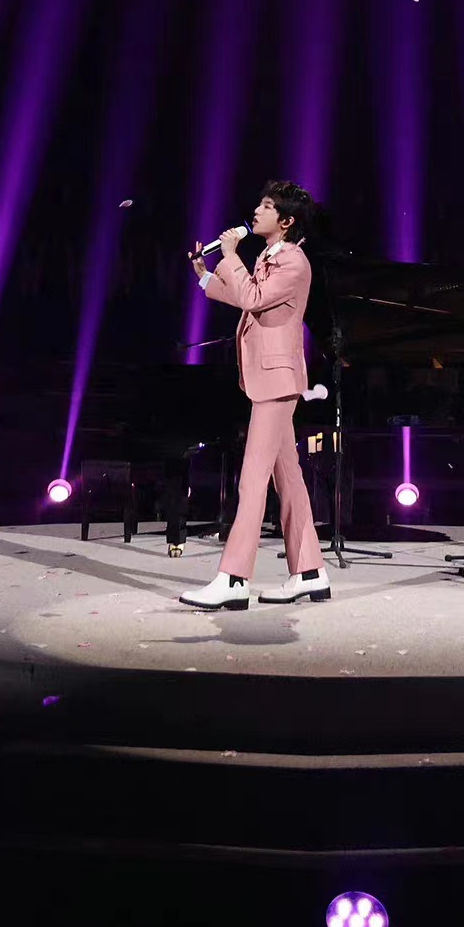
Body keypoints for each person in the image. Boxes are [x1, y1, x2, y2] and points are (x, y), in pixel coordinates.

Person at [179, 181, 329, 609]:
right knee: (288, 478)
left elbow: (253, 297)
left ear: (286, 220)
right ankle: (310, 572)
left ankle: (233, 578)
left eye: (266, 206)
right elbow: (246, 298)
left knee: (252, 479)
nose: (256, 211)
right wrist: (206, 275)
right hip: (269, 377)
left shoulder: (294, 261)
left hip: (278, 379)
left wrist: (229, 255)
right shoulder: (269, 255)